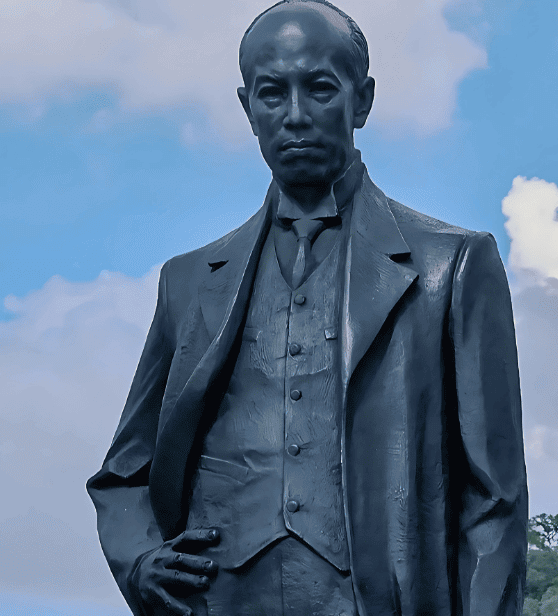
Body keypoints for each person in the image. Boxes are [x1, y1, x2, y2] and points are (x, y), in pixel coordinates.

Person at [86, 1, 527, 614]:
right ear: (248, 108)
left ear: (362, 99)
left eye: (320, 89)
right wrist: (140, 563)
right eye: (272, 94)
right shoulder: (188, 283)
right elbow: (123, 475)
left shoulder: (451, 267)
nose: (295, 115)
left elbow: (495, 499)